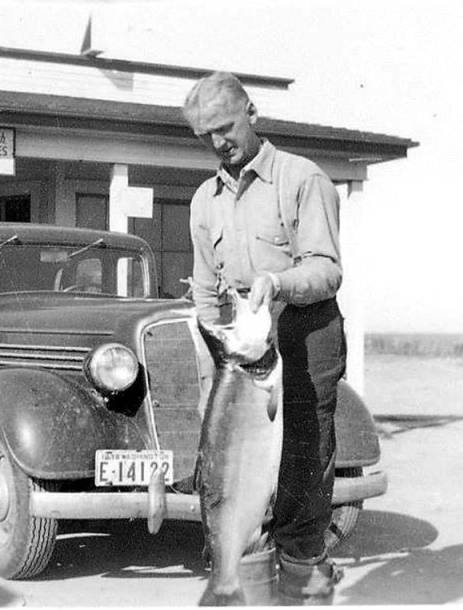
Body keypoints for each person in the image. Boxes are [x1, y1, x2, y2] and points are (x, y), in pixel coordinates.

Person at [183, 71, 347, 604]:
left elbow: (326, 269)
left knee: (301, 485)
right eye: (205, 135)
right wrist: (212, 381)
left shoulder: (302, 178)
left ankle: (306, 593)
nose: (217, 142)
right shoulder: (203, 201)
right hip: (244, 355)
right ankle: (236, 590)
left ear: (252, 113)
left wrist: (277, 282)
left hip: (305, 335)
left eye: (225, 127)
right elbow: (207, 294)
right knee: (235, 482)